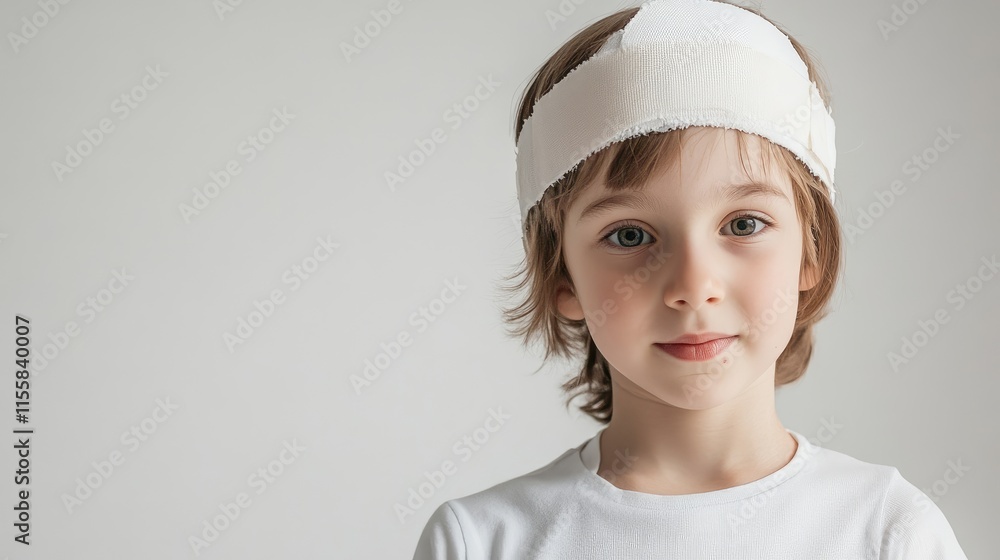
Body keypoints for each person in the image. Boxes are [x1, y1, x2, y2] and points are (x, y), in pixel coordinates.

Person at [412, 0, 968, 558]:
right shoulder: (481, 540)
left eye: (744, 224)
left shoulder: (890, 530)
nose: (694, 286)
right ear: (564, 278)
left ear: (811, 252)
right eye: (630, 235)